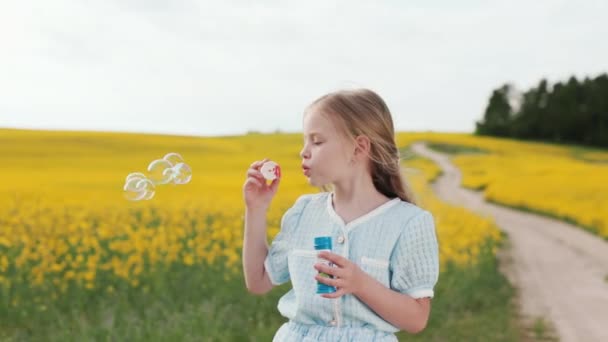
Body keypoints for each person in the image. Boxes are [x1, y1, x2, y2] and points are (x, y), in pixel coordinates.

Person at [242, 88, 439, 341]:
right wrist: (256, 208)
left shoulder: (408, 222)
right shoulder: (303, 212)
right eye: (305, 141)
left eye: (317, 141)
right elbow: (258, 282)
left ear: (359, 148)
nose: (304, 151)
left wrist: (360, 283)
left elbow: (417, 319)